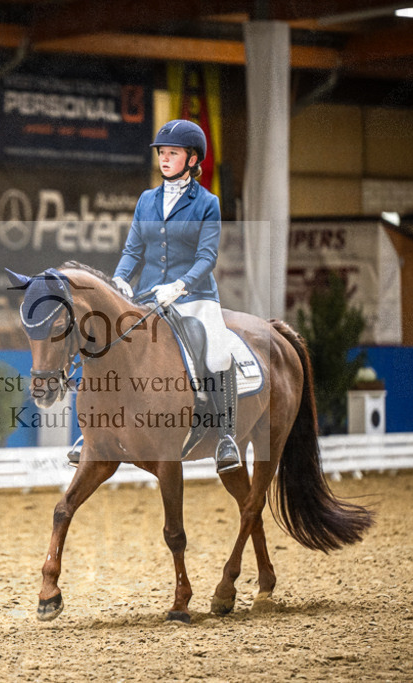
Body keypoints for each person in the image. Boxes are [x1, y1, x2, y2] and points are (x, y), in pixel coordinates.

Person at [111, 119, 242, 474]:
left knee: (218, 350)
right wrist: (121, 279)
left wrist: (180, 285)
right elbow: (133, 249)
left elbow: (207, 257)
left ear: (192, 158)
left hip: (194, 293)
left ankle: (227, 437)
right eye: (162, 153)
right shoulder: (147, 200)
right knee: (115, 344)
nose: (165, 159)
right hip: (149, 293)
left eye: (173, 153)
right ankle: (98, 434)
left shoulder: (207, 203)